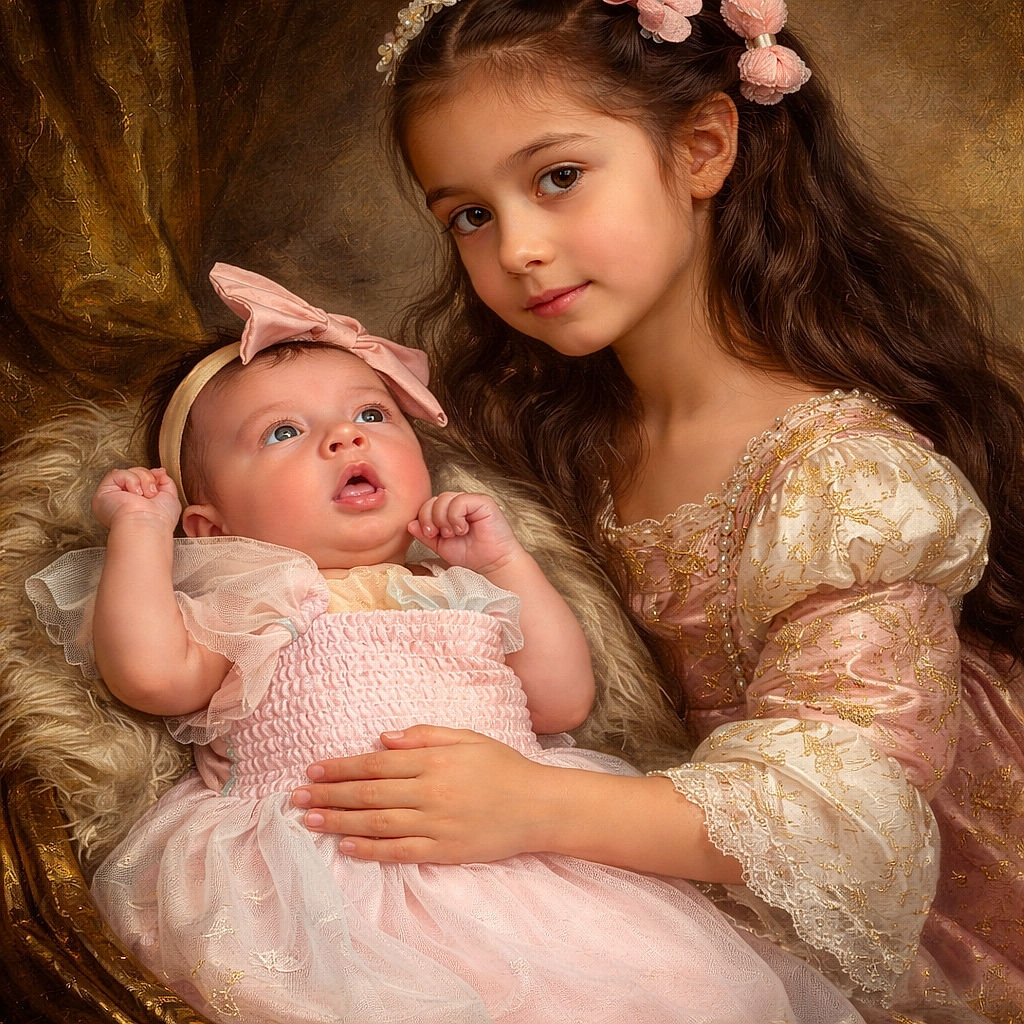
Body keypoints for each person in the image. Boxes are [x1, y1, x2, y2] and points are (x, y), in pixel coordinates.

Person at [289, 2, 1024, 1021]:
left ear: (703, 146)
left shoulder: (845, 480)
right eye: (470, 214)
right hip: (614, 873)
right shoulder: (537, 432)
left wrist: (531, 802)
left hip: (893, 922)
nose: (520, 249)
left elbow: (846, 804)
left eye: (556, 178)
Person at [26, 263, 864, 1024]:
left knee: (666, 991)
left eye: (370, 413)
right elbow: (151, 674)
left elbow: (561, 699)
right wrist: (143, 533)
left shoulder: (455, 584)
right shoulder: (261, 591)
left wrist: (506, 561)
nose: (346, 438)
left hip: (524, 854)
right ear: (211, 527)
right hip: (330, 868)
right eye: (283, 432)